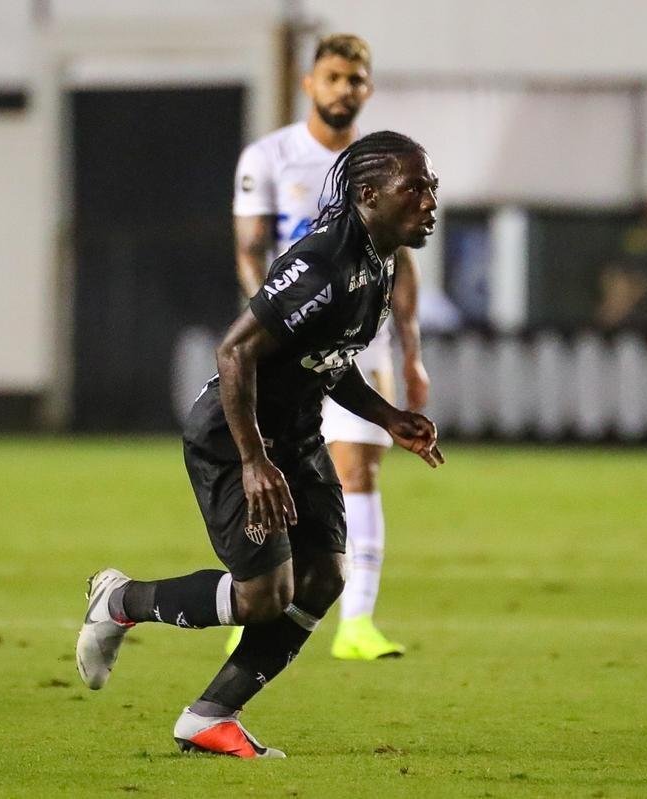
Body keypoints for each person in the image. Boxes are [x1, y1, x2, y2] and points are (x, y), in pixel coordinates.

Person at [76, 132, 444, 758]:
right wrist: (253, 461)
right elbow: (235, 350)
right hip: (233, 438)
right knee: (263, 597)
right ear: (368, 194)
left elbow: (329, 359)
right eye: (416, 187)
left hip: (295, 438)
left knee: (325, 576)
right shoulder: (321, 264)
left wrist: (388, 417)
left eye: (431, 186)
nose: (430, 200)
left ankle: (210, 715)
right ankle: (119, 601)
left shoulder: (379, 263)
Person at [230, 34, 429, 660]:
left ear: (367, 89)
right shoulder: (269, 157)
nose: (346, 89)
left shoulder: (385, 167)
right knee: (278, 472)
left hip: (360, 341)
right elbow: (250, 248)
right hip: (291, 334)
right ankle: (253, 599)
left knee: (359, 469)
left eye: (356, 80)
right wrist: (277, 313)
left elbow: (400, 264)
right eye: (335, 77)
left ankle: (358, 624)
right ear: (309, 82)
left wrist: (411, 353)